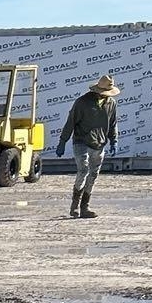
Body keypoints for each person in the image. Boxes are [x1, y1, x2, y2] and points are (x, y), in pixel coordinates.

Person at [56, 74, 120, 219]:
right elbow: (70, 122)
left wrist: (114, 140)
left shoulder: (111, 104)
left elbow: (113, 123)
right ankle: (74, 206)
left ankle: (85, 207)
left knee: (93, 174)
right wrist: (62, 141)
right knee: (83, 170)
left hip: (99, 143)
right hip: (81, 141)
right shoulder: (82, 102)